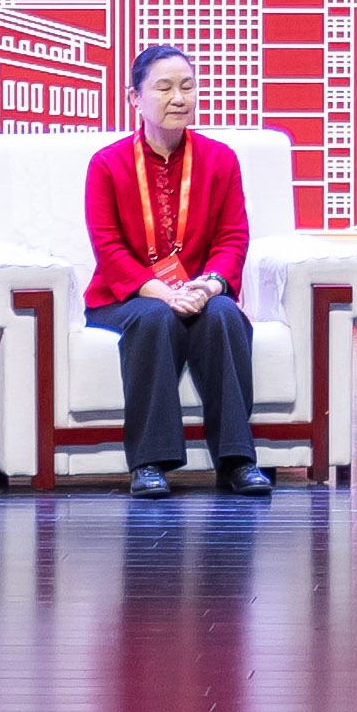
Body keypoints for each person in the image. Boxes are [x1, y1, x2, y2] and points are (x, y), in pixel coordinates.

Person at [84, 44, 271, 499]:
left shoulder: (220, 159)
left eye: (187, 87)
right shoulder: (107, 164)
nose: (179, 98)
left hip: (200, 290)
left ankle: (237, 460)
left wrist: (209, 286)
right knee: (155, 319)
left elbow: (233, 237)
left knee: (224, 315)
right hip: (127, 297)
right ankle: (149, 463)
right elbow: (108, 248)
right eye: (164, 88)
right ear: (134, 98)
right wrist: (163, 293)